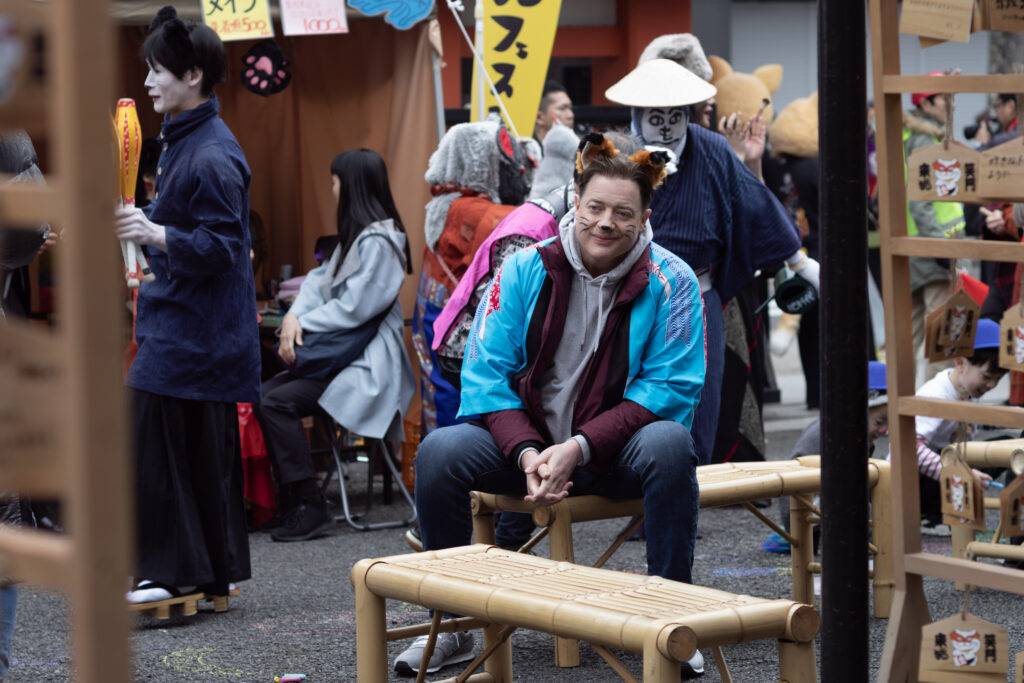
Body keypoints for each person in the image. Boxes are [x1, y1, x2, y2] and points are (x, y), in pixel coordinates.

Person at [393, 136, 707, 678]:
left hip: (613, 453)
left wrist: (578, 449)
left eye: (623, 213)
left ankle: (670, 620)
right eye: (595, 208)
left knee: (672, 444)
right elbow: (485, 373)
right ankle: (452, 624)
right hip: (529, 447)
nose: (606, 222)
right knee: (441, 452)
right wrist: (529, 453)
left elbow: (669, 388)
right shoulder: (524, 269)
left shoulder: (672, 280)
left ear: (644, 218)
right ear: (575, 203)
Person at [605, 36, 816, 466]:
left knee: (700, 395)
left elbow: (753, 200)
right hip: (628, 296)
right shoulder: (615, 154)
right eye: (654, 116)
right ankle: (641, 496)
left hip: (699, 297)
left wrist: (798, 259)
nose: (665, 125)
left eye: (674, 115)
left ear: (689, 112)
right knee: (635, 395)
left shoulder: (713, 149)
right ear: (637, 114)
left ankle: (687, 496)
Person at [113, 5, 260, 605]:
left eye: (158, 70)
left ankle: (169, 573)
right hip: (200, 329)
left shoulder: (212, 153)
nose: (148, 81)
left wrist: (152, 235)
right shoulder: (190, 140)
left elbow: (225, 248)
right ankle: (212, 574)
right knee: (200, 454)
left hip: (193, 333)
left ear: (193, 74)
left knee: (156, 445)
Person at [256, 149, 415, 542]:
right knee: (267, 397)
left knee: (274, 401)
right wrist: (295, 317)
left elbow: (354, 308)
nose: (331, 187)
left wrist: (299, 319)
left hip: (365, 366)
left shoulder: (380, 241)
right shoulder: (363, 237)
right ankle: (297, 502)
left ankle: (310, 503)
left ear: (352, 185)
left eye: (335, 179)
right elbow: (317, 281)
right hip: (347, 359)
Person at [763, 361, 890, 553]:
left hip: (820, 501)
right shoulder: (838, 432)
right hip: (805, 508)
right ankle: (826, 539)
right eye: (880, 421)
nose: (883, 429)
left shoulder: (857, 430)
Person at [910, 318, 1002, 535]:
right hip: (914, 480)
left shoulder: (971, 391)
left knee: (1002, 447)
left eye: (997, 380)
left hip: (946, 464)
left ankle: (942, 509)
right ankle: (931, 514)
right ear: (960, 363)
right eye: (987, 377)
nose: (991, 385)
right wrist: (959, 473)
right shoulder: (937, 395)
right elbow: (908, 448)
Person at [904, 78, 965, 384]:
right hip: (935, 245)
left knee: (912, 333)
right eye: (944, 99)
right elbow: (922, 200)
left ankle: (897, 408)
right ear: (925, 104)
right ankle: (934, 410)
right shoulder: (928, 140)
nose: (951, 104)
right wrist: (941, 247)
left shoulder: (907, 136)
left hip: (913, 245)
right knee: (942, 334)